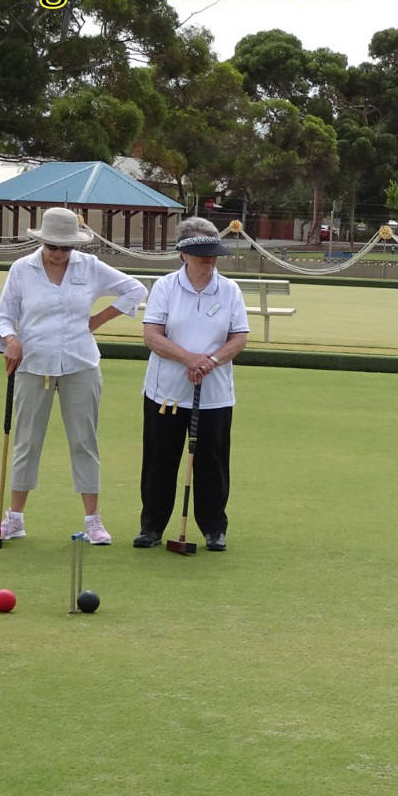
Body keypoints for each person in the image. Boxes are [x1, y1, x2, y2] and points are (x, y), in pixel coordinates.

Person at [0, 206, 148, 545]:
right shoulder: (22, 269)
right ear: (42, 242)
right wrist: (11, 340)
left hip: (81, 365)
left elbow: (136, 290)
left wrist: (98, 320)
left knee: (83, 442)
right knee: (26, 441)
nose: (59, 254)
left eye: (66, 248)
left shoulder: (90, 267)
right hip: (32, 365)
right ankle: (14, 518)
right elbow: (4, 316)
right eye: (53, 247)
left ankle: (93, 521)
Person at [133, 217, 251, 551]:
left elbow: (239, 337)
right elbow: (152, 336)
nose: (210, 261)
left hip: (214, 394)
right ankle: (152, 526)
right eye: (203, 255)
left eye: (214, 254)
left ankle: (214, 527)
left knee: (212, 461)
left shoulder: (229, 290)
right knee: (160, 459)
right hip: (166, 391)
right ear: (183, 254)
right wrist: (189, 359)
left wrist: (210, 361)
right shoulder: (165, 287)